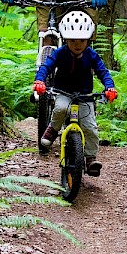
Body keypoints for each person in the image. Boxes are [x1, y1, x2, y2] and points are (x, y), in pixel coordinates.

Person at [32, 11, 117, 176]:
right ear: (65, 39)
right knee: (60, 109)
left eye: (81, 41)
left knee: (90, 127)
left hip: (85, 95)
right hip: (63, 91)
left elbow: (103, 72)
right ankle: (53, 128)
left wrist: (109, 87)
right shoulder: (60, 53)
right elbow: (46, 66)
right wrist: (40, 80)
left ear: (88, 40)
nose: (77, 45)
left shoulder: (91, 55)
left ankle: (91, 158)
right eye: (72, 41)